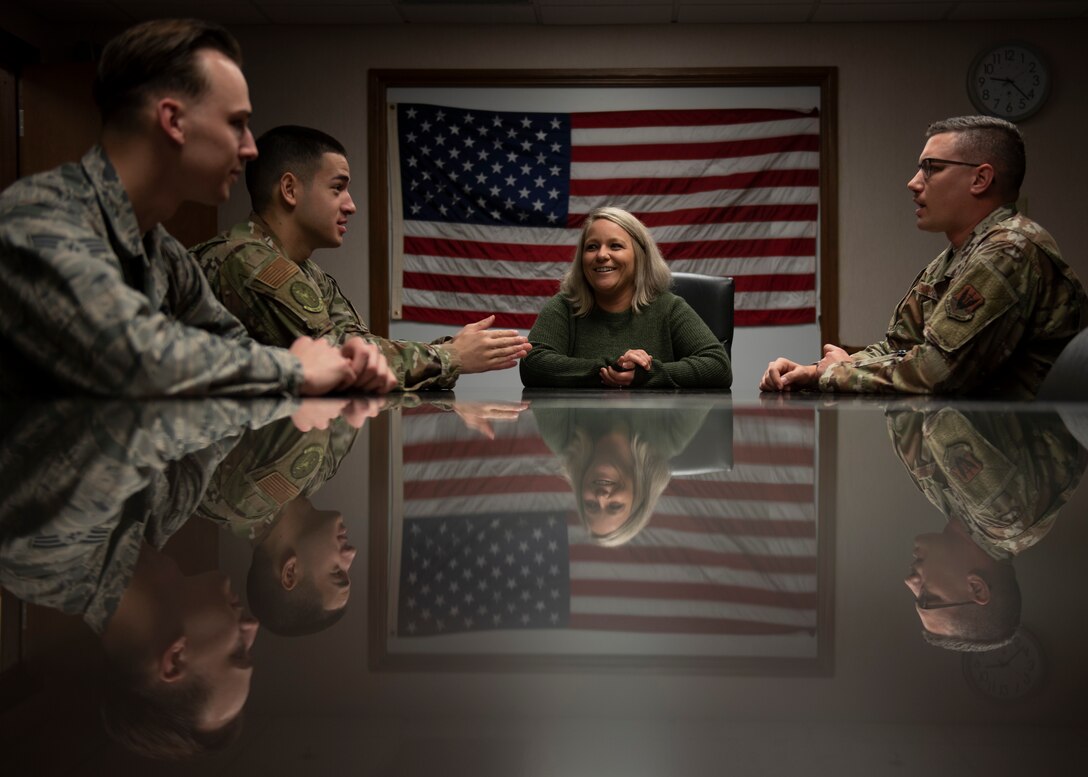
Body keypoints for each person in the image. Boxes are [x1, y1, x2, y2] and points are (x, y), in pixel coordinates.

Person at [0, 19, 394, 397]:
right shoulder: (40, 216)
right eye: (236, 123)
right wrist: (295, 368)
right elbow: (131, 356)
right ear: (173, 121)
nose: (250, 148)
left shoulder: (162, 250)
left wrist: (335, 362)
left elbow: (232, 346)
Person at [761, 115, 1087, 399]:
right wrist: (812, 370)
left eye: (931, 168)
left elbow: (937, 372)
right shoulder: (958, 256)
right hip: (971, 446)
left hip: (1018, 457)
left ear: (980, 179)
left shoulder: (1008, 250)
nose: (913, 183)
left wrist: (832, 374)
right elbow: (899, 347)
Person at [191, 124, 532, 390]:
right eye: (337, 188)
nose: (351, 205)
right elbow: (341, 362)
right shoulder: (249, 262)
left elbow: (361, 349)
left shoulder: (306, 271)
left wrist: (451, 350)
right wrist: (452, 357)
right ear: (290, 190)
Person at [890, 407, 1087, 651]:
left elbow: (898, 402)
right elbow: (935, 379)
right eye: (928, 598)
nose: (911, 582)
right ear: (976, 587)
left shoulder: (954, 508)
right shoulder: (1003, 517)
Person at [519, 206, 732, 389]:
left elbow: (718, 366)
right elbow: (533, 363)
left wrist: (646, 374)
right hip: (578, 431)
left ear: (640, 256)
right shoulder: (564, 306)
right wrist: (610, 368)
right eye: (592, 247)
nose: (601, 255)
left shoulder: (669, 308)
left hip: (653, 432)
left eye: (615, 246)